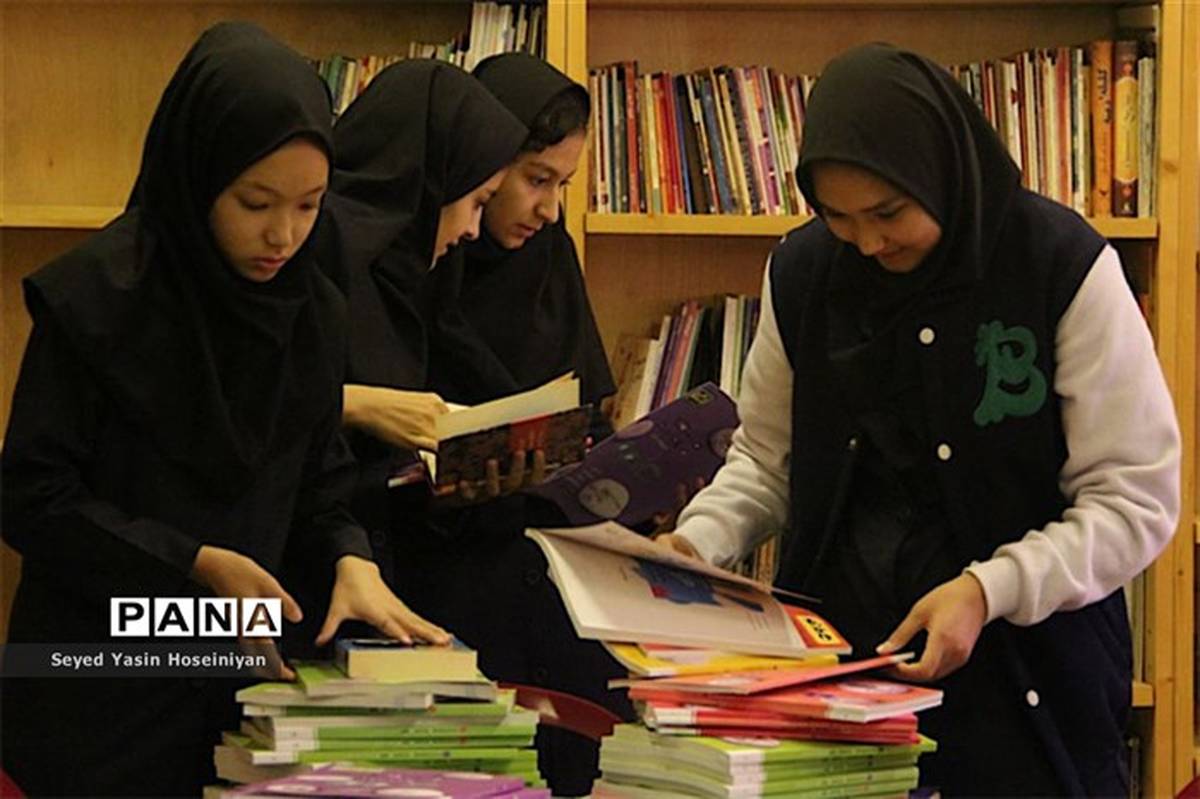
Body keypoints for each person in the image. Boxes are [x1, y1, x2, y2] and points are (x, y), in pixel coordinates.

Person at [656, 43, 1179, 796]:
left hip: (1026, 686)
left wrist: (990, 588)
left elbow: (1136, 500)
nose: (868, 242)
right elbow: (766, 462)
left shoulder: (1059, 265)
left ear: (942, 170)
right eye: (838, 217)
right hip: (841, 681)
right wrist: (696, 545)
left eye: (888, 213)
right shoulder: (804, 270)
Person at [0, 23, 446, 796]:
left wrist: (349, 556)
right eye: (255, 202)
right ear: (196, 173)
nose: (283, 234)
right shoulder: (95, 300)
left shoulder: (312, 309)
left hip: (242, 693)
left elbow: (318, 482)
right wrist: (193, 564)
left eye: (309, 206)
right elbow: (30, 498)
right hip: (98, 679)